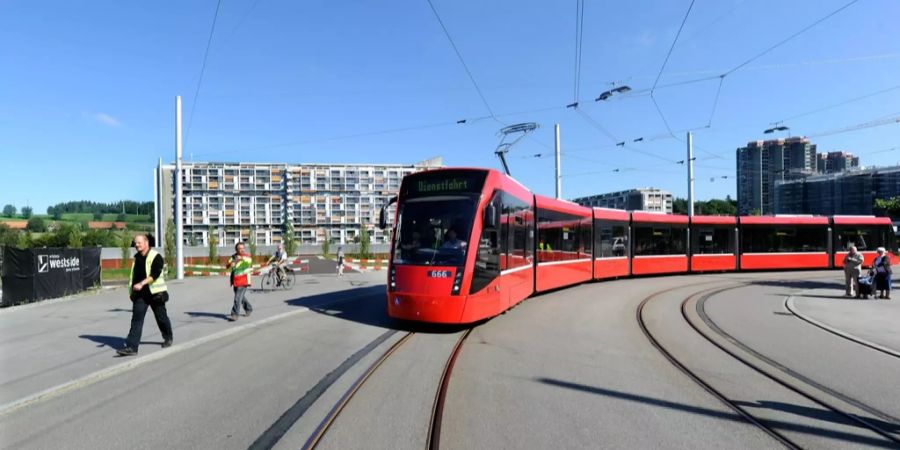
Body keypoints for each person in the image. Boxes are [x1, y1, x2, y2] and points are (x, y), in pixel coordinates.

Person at [117, 234, 172, 356]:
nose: (136, 245)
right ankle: (132, 347)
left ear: (146, 243)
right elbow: (133, 277)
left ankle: (168, 336)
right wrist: (132, 292)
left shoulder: (156, 256)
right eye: (135, 243)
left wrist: (142, 283)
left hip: (155, 294)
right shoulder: (136, 258)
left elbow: (155, 274)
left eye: (139, 243)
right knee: (136, 320)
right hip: (140, 295)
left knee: (161, 317)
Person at [225, 242, 253, 321]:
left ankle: (234, 314)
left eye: (242, 248)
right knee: (241, 297)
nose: (241, 250)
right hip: (235, 280)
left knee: (237, 298)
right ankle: (249, 308)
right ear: (236, 249)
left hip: (244, 280)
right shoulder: (233, 257)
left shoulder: (247, 257)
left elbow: (248, 263)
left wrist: (238, 260)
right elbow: (227, 265)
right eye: (239, 248)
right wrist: (231, 264)